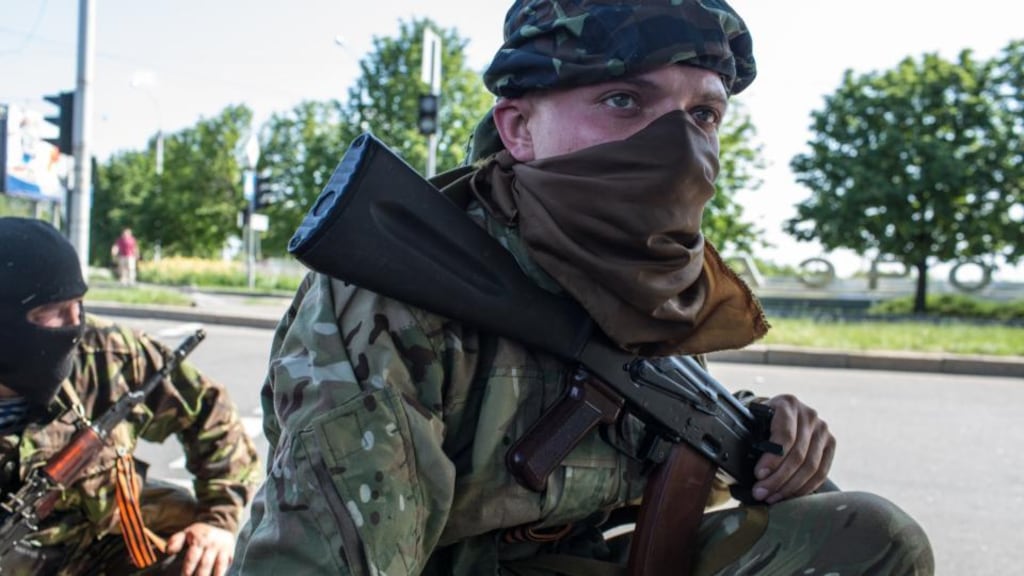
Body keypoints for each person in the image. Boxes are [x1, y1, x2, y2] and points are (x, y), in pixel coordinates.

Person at [231, 1, 934, 574]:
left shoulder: (641, 270)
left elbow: (642, 416)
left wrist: (762, 434)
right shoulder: (402, 291)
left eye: (704, 115)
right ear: (519, 128)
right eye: (625, 99)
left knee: (867, 538)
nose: (679, 146)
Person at [0, 217, 261, 576]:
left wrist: (218, 521)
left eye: (79, 305)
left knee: (197, 553)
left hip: (103, 551)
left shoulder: (108, 354)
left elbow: (210, 411)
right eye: (53, 313)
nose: (75, 326)